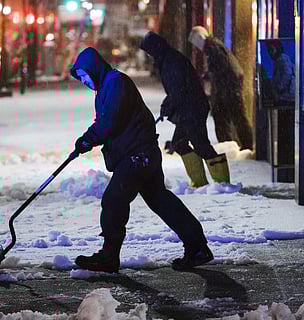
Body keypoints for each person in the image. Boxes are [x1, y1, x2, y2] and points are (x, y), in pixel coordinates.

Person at [70, 47, 213, 273]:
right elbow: (109, 121)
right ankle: (197, 247)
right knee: (161, 201)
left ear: (94, 68)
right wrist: (90, 139)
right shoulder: (106, 86)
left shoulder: (116, 82)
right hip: (141, 154)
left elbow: (110, 120)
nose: (85, 81)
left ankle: (109, 255)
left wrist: (88, 139)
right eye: (81, 78)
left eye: (86, 75)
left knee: (113, 200)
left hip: (138, 155)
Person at [139, 31, 230, 188]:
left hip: (193, 109)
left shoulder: (171, 61)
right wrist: (168, 105)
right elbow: (176, 90)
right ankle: (200, 182)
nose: (150, 56)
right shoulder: (167, 59)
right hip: (188, 109)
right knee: (180, 143)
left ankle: (223, 184)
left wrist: (168, 106)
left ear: (155, 48)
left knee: (201, 145)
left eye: (150, 52)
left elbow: (178, 89)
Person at [188, 26, 254, 151]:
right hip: (227, 86)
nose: (196, 47)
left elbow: (221, 67)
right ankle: (232, 144)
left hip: (228, 87)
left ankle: (241, 144)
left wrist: (210, 76)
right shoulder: (213, 46)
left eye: (196, 42)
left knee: (232, 116)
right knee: (228, 116)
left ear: (200, 38)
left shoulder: (212, 47)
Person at [265, 39, 295, 105]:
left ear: (277, 48)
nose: (270, 53)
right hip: (285, 97)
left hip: (287, 97)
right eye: (268, 50)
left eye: (271, 49)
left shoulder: (283, 59)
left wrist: (278, 88)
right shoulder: (279, 61)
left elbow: (287, 74)